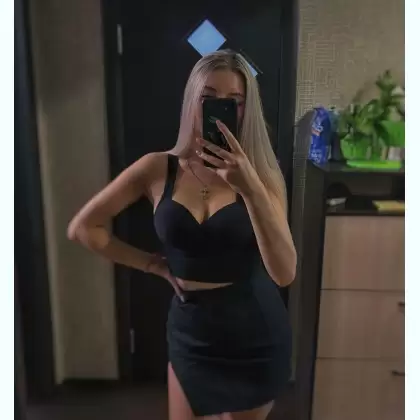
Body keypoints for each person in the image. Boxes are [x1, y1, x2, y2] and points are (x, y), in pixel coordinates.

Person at [68, 49, 297, 420]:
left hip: (254, 334)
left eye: (234, 102)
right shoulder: (157, 168)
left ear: (246, 111)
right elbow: (83, 228)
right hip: (192, 331)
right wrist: (152, 265)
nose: (220, 110)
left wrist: (251, 189)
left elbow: (284, 273)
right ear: (192, 102)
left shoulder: (263, 176)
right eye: (208, 98)